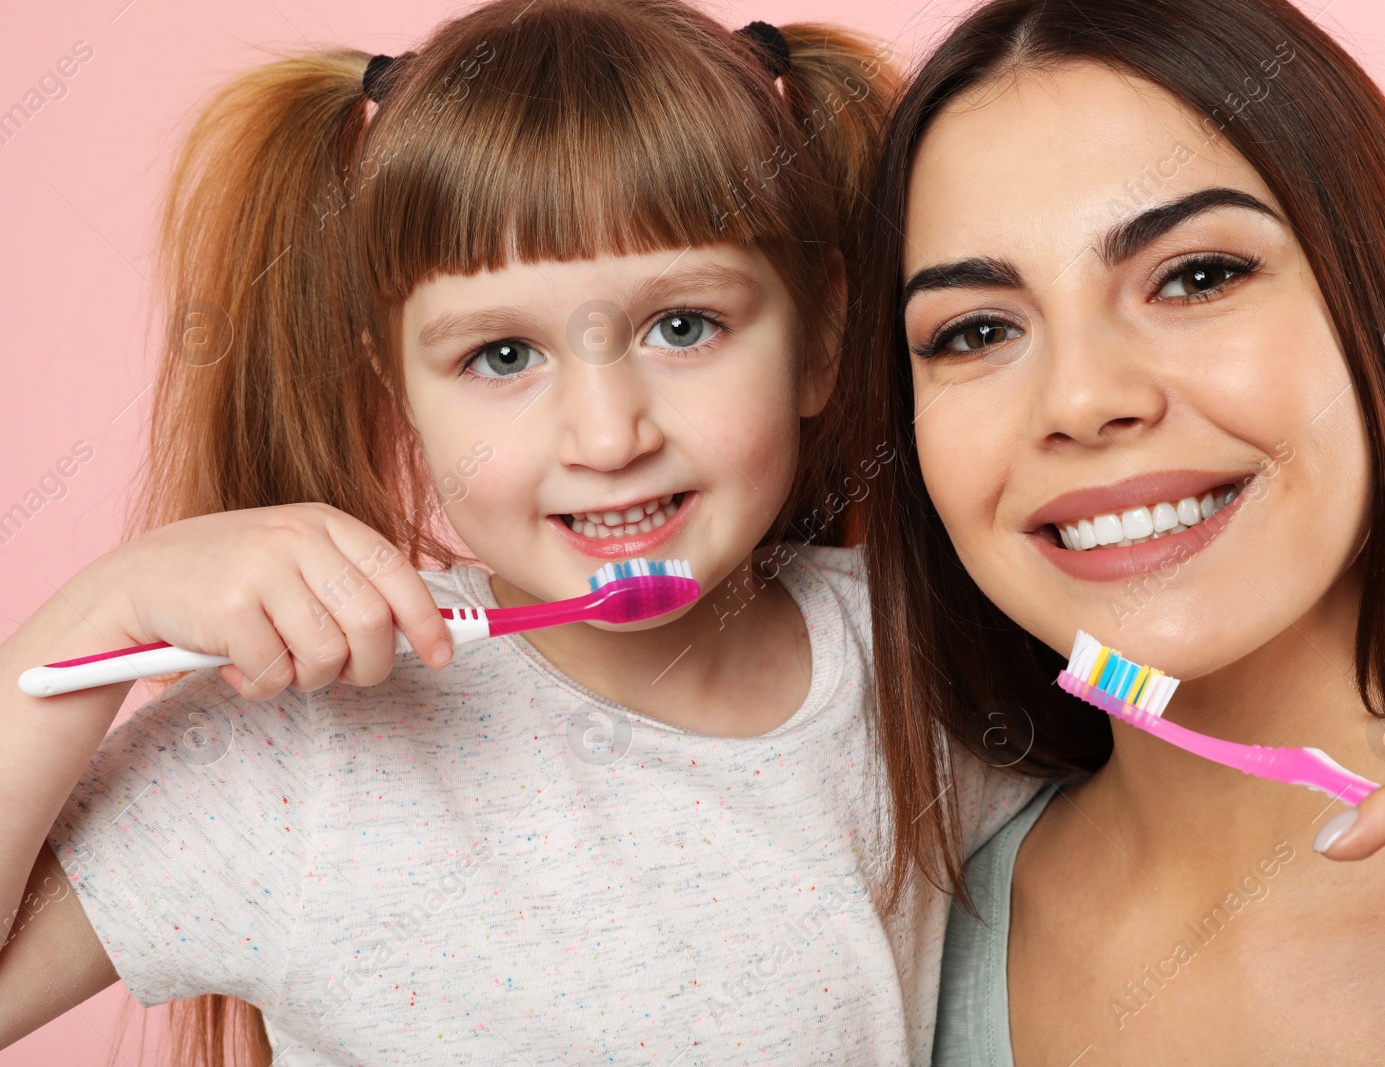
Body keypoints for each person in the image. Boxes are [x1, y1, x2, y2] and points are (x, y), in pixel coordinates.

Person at [0, 2, 1034, 1063]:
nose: (607, 432)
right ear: (395, 392)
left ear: (819, 335)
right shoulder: (299, 744)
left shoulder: (924, 655)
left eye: (682, 326)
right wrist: (100, 612)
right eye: (501, 356)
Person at [839, 0, 1385, 1062]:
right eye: (976, 331)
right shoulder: (883, 937)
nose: (1083, 395)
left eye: (1197, 276)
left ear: (1380, 311)